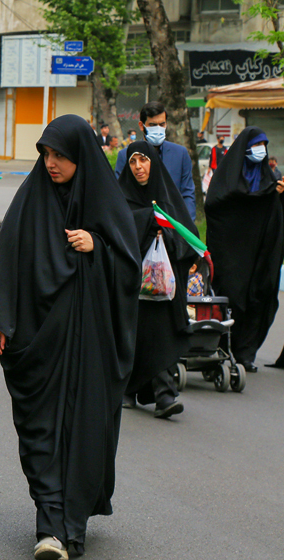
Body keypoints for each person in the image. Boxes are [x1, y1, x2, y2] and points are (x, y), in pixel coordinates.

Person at [0, 115, 140, 560]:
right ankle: (52, 522)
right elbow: (7, 259)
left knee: (84, 428)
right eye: (46, 154)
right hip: (38, 338)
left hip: (90, 342)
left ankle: (66, 526)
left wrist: (98, 246)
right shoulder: (32, 199)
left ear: (81, 157)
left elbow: (129, 269)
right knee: (40, 429)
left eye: (61, 156)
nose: (51, 163)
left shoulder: (104, 203)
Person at [118, 141, 199, 418]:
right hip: (131, 285)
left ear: (153, 162)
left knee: (162, 334)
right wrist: (147, 221)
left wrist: (167, 234)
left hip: (163, 288)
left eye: (143, 160)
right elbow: (114, 232)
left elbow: (187, 238)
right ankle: (128, 390)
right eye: (132, 162)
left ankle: (164, 395)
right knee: (132, 335)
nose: (138, 167)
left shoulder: (167, 198)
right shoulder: (121, 197)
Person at [205, 127, 284, 372]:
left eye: (264, 145)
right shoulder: (227, 178)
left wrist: (278, 198)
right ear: (244, 149)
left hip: (258, 255)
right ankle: (220, 348)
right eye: (255, 145)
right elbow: (214, 206)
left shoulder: (269, 182)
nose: (260, 150)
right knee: (230, 297)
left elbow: (276, 217)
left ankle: (245, 353)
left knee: (257, 297)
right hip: (231, 255)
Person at [115, 101, 195, 222]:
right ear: (141, 126)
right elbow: (120, 196)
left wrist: (185, 225)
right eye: (152, 125)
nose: (158, 129)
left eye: (162, 124)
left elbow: (187, 194)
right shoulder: (126, 155)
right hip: (140, 224)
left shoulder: (180, 154)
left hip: (174, 223)